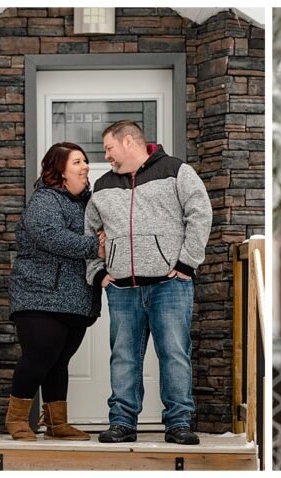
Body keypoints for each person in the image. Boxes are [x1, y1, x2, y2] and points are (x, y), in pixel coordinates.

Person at [85, 120, 212, 445]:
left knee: (174, 354)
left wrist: (187, 262)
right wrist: (98, 273)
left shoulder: (176, 171)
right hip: (123, 288)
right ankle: (122, 422)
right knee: (123, 356)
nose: (106, 155)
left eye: (109, 148)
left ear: (129, 142)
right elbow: (90, 233)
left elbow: (200, 212)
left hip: (169, 284)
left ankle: (179, 423)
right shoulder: (102, 186)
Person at [6, 142, 106, 441]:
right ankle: (16, 420)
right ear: (59, 170)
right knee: (39, 356)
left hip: (75, 299)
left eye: (85, 161)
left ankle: (56, 423)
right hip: (41, 296)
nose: (85, 166)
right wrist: (94, 245)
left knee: (58, 361)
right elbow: (51, 236)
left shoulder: (89, 204)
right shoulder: (46, 200)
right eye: (77, 162)